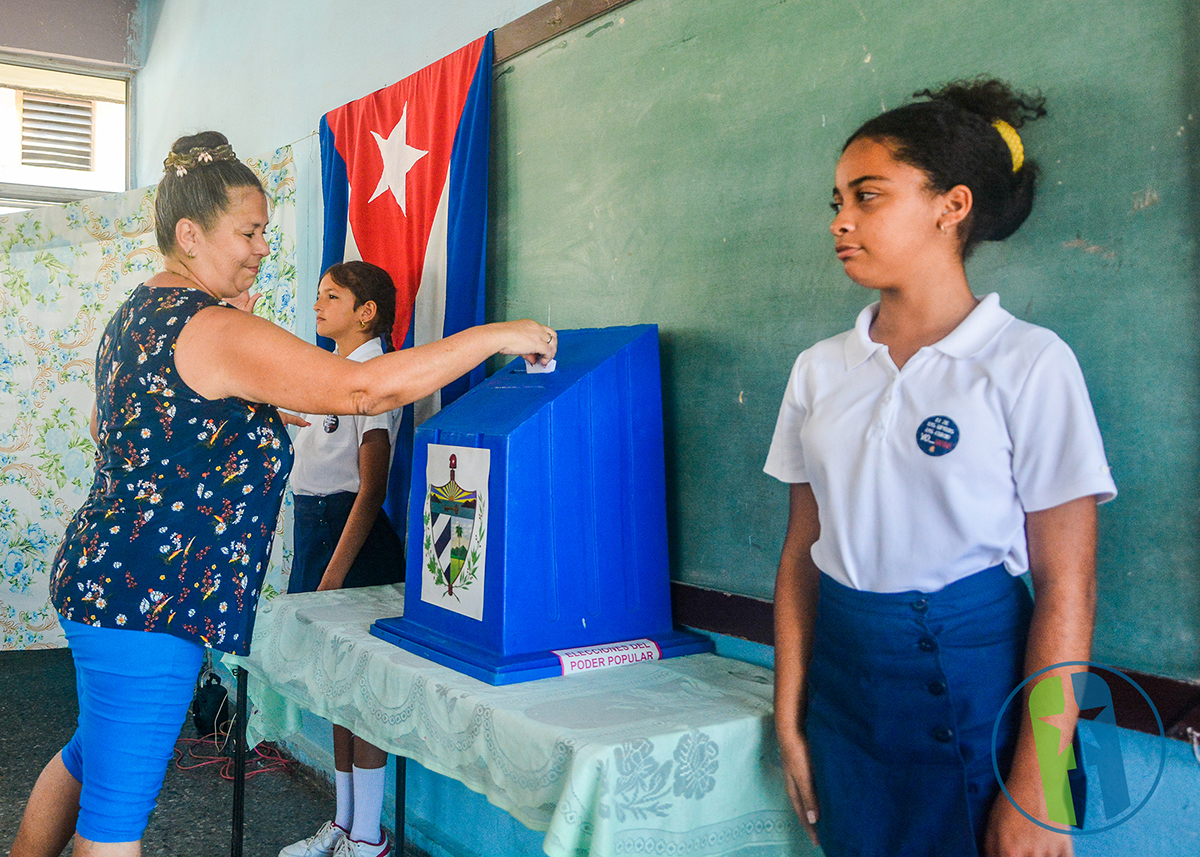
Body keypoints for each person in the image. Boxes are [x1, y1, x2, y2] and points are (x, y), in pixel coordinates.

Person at [8, 131, 556, 857]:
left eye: (266, 230)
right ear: (190, 235)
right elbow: (366, 386)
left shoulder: (135, 315)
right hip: (147, 604)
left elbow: (126, 426)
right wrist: (497, 335)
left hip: (107, 580)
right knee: (112, 826)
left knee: (88, 759)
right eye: (250, 231)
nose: (264, 247)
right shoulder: (211, 324)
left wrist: (239, 419)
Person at [765, 79, 1116, 857]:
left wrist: (1040, 787)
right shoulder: (819, 370)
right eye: (836, 200)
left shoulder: (1026, 361)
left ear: (950, 206)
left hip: (980, 691)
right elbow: (801, 553)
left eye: (867, 195)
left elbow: (1068, 584)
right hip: (846, 697)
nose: (840, 221)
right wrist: (791, 714)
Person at [277, 260, 405, 857]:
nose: (318, 305)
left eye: (332, 297)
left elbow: (371, 487)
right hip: (316, 530)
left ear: (367, 312)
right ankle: (344, 823)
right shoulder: (332, 372)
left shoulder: (374, 374)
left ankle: (369, 837)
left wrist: (332, 575)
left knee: (364, 689)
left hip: (352, 540)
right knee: (336, 686)